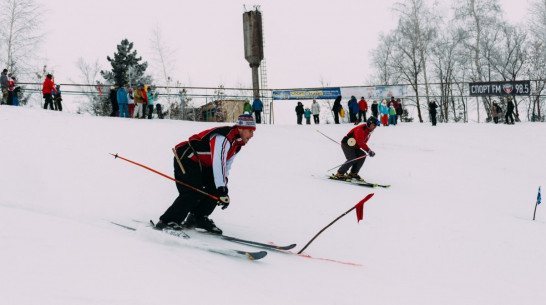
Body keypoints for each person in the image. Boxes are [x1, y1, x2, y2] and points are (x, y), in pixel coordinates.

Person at [155, 114, 257, 234]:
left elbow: (225, 167)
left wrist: (223, 190)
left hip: (202, 164)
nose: (252, 135)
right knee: (193, 191)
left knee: (215, 187)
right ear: (241, 128)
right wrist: (221, 188)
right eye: (250, 131)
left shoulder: (237, 145)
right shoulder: (224, 137)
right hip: (187, 157)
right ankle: (167, 221)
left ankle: (197, 217)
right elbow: (218, 162)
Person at [331, 116, 379, 182]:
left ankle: (353, 173)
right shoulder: (360, 129)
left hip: (354, 146)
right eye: (374, 125)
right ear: (370, 123)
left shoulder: (369, 131)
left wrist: (367, 150)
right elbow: (360, 142)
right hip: (346, 143)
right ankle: (339, 173)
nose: (375, 127)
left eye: (376, 126)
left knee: (362, 155)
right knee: (352, 158)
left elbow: (362, 142)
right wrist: (369, 150)